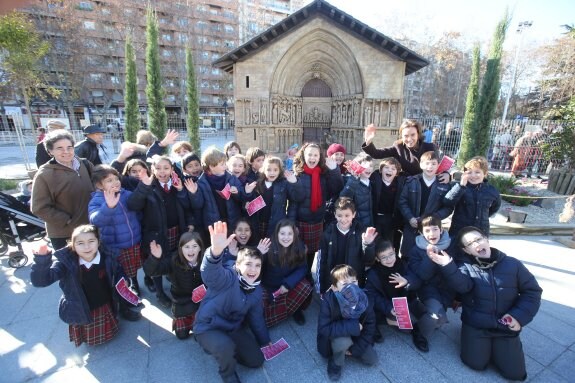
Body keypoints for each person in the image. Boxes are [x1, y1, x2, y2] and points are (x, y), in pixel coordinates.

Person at [429, 226, 542, 381]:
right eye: (470, 244)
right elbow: (463, 286)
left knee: (515, 374)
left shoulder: (513, 264)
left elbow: (532, 292)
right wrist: (448, 264)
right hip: (477, 325)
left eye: (478, 239)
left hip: (504, 326)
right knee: (475, 364)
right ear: (467, 251)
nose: (476, 244)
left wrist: (518, 317)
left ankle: (499, 347)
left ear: (486, 239)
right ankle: (481, 343)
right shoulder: (465, 267)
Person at [30, 225, 141, 347]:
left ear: (98, 242)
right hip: (81, 305)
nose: (87, 247)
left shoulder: (107, 257)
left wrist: (123, 279)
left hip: (104, 299)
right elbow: (41, 281)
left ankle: (109, 331)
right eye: (80, 243)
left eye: (91, 241)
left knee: (106, 319)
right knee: (87, 324)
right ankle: (89, 339)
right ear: (73, 245)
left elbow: (118, 270)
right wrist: (42, 261)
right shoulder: (65, 264)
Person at [194, 221, 271, 383]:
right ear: (237, 265)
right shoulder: (228, 276)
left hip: (231, 328)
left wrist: (265, 341)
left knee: (257, 360)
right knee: (224, 346)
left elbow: (256, 319)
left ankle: (226, 350)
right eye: (248, 264)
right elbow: (209, 273)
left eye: (257, 265)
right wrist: (215, 252)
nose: (253, 270)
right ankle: (227, 373)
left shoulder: (256, 290)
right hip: (208, 327)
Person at [127, 155, 189, 308]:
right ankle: (160, 293)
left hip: (175, 230)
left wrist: (181, 190)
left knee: (174, 258)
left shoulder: (177, 183)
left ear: (172, 169)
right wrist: (144, 187)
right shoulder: (147, 184)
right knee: (157, 260)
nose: (162, 172)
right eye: (158, 168)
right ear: (152, 169)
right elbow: (133, 205)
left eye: (166, 168)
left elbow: (187, 205)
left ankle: (175, 286)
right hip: (155, 232)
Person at [31, 130, 94, 250]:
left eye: (69, 147)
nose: (66, 151)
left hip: (89, 229)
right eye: (59, 148)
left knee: (92, 267)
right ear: (50, 151)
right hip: (65, 234)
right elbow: (39, 207)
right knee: (71, 268)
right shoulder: (45, 174)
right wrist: (67, 220)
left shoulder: (85, 164)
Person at [400, 215, 455, 348]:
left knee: (439, 320)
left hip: (445, 291)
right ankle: (419, 333)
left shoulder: (451, 246)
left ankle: (426, 316)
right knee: (436, 317)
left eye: (435, 229)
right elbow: (421, 275)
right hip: (426, 290)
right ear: (421, 233)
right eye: (427, 230)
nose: (432, 234)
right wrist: (430, 257)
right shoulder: (416, 250)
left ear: (441, 230)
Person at [88, 165, 143, 296]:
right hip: (115, 245)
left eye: (116, 178)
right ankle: (123, 296)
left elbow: (137, 204)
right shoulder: (97, 200)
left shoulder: (125, 194)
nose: (115, 182)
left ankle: (134, 283)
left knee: (132, 268)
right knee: (119, 273)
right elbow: (95, 220)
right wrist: (108, 207)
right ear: (99, 185)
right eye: (109, 180)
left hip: (133, 241)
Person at [364, 239, 429, 351]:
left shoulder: (404, 264)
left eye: (391, 254)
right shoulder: (373, 273)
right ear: (377, 259)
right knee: (369, 306)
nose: (389, 259)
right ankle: (376, 324)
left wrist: (407, 281)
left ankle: (417, 333)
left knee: (413, 322)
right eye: (384, 257)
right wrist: (389, 307)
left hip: (405, 301)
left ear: (395, 251)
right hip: (386, 304)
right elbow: (372, 295)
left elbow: (418, 280)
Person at [317, 264, 377, 381]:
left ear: (358, 282)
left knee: (371, 359)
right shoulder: (329, 301)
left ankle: (348, 349)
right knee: (343, 342)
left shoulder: (365, 300)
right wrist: (353, 326)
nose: (351, 287)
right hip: (337, 337)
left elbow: (370, 327)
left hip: (357, 336)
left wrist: (356, 349)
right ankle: (336, 362)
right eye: (344, 284)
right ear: (335, 288)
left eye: (353, 282)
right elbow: (324, 328)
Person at [288, 142, 344, 268]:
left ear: (320, 157)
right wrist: (291, 224)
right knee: (298, 253)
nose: (312, 158)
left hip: (317, 221)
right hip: (300, 222)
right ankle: (299, 278)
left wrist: (335, 170)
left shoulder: (324, 174)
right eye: (309, 155)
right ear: (303, 156)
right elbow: (294, 202)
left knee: (312, 253)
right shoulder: (298, 173)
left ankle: (308, 277)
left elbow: (336, 189)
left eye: (315, 155)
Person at [144, 232, 205, 340]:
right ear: (181, 248)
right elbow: (151, 271)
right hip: (182, 302)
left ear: (200, 248)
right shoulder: (173, 261)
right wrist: (155, 258)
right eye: (187, 247)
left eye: (195, 246)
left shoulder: (205, 261)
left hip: (202, 302)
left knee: (203, 331)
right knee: (181, 335)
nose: (191, 250)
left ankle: (201, 323)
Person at [398, 151, 453, 259]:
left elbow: (448, 207)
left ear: (438, 165)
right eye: (427, 163)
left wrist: (434, 218)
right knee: (407, 255)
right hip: (412, 226)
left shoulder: (444, 185)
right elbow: (402, 201)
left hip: (431, 228)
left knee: (428, 256)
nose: (430, 167)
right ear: (421, 165)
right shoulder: (411, 181)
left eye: (433, 163)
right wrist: (410, 218)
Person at [318, 197, 377, 294]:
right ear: (335, 215)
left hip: (353, 283)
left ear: (354, 215)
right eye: (339, 215)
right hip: (334, 283)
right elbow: (322, 262)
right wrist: (322, 288)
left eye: (347, 215)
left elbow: (368, 260)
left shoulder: (361, 232)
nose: (343, 219)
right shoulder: (327, 234)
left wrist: (368, 244)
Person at [184, 146, 243, 243]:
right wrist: (194, 193)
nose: (225, 166)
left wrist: (237, 192)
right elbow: (198, 205)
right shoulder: (201, 182)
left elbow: (241, 197)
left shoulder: (231, 178)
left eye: (225, 163)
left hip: (231, 221)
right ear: (211, 166)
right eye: (222, 164)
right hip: (213, 225)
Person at [362, 119, 449, 183]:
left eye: (412, 135)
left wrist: (447, 174)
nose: (409, 139)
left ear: (418, 134)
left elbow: (440, 165)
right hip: (406, 185)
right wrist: (368, 141)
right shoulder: (398, 147)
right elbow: (377, 154)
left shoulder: (430, 147)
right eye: (406, 136)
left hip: (425, 184)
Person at [444, 156, 501, 237]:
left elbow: (495, 206)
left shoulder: (491, 190)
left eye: (477, 172)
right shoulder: (458, 186)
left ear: (485, 174)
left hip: (481, 230)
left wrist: (483, 216)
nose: (473, 176)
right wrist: (461, 186)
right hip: (459, 230)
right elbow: (448, 202)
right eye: (469, 172)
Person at [245, 156, 301, 239]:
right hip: (259, 222)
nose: (272, 173)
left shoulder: (284, 184)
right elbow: (249, 203)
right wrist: (247, 195)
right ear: (263, 170)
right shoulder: (258, 184)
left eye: (275, 170)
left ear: (279, 171)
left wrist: (294, 183)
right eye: (268, 170)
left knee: (273, 246)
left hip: (277, 222)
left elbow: (295, 198)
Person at [370, 158, 405, 253]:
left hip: (391, 219)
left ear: (397, 173)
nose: (390, 170)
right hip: (376, 217)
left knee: (390, 242)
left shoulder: (399, 183)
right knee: (376, 242)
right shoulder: (374, 179)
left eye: (393, 169)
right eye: (387, 167)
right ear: (381, 170)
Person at [339, 152, 374, 227]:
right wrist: (354, 179)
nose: (369, 168)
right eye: (365, 165)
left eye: (371, 165)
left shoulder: (370, 182)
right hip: (356, 224)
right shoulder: (350, 180)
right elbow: (344, 197)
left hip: (368, 222)